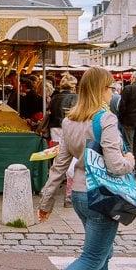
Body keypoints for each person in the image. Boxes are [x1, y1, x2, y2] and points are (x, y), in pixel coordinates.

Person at [36, 67, 136, 270]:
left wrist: (46, 202)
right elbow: (115, 165)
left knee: (100, 252)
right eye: (111, 88)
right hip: (102, 196)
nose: (113, 92)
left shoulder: (70, 121)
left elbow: (59, 167)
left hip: (80, 195)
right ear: (101, 90)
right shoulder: (106, 120)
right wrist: (130, 160)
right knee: (92, 256)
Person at [47, 74, 78, 208]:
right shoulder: (76, 98)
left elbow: (50, 112)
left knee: (57, 159)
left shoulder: (54, 98)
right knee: (72, 160)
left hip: (54, 129)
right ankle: (69, 196)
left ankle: (48, 191)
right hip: (69, 128)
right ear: (73, 86)